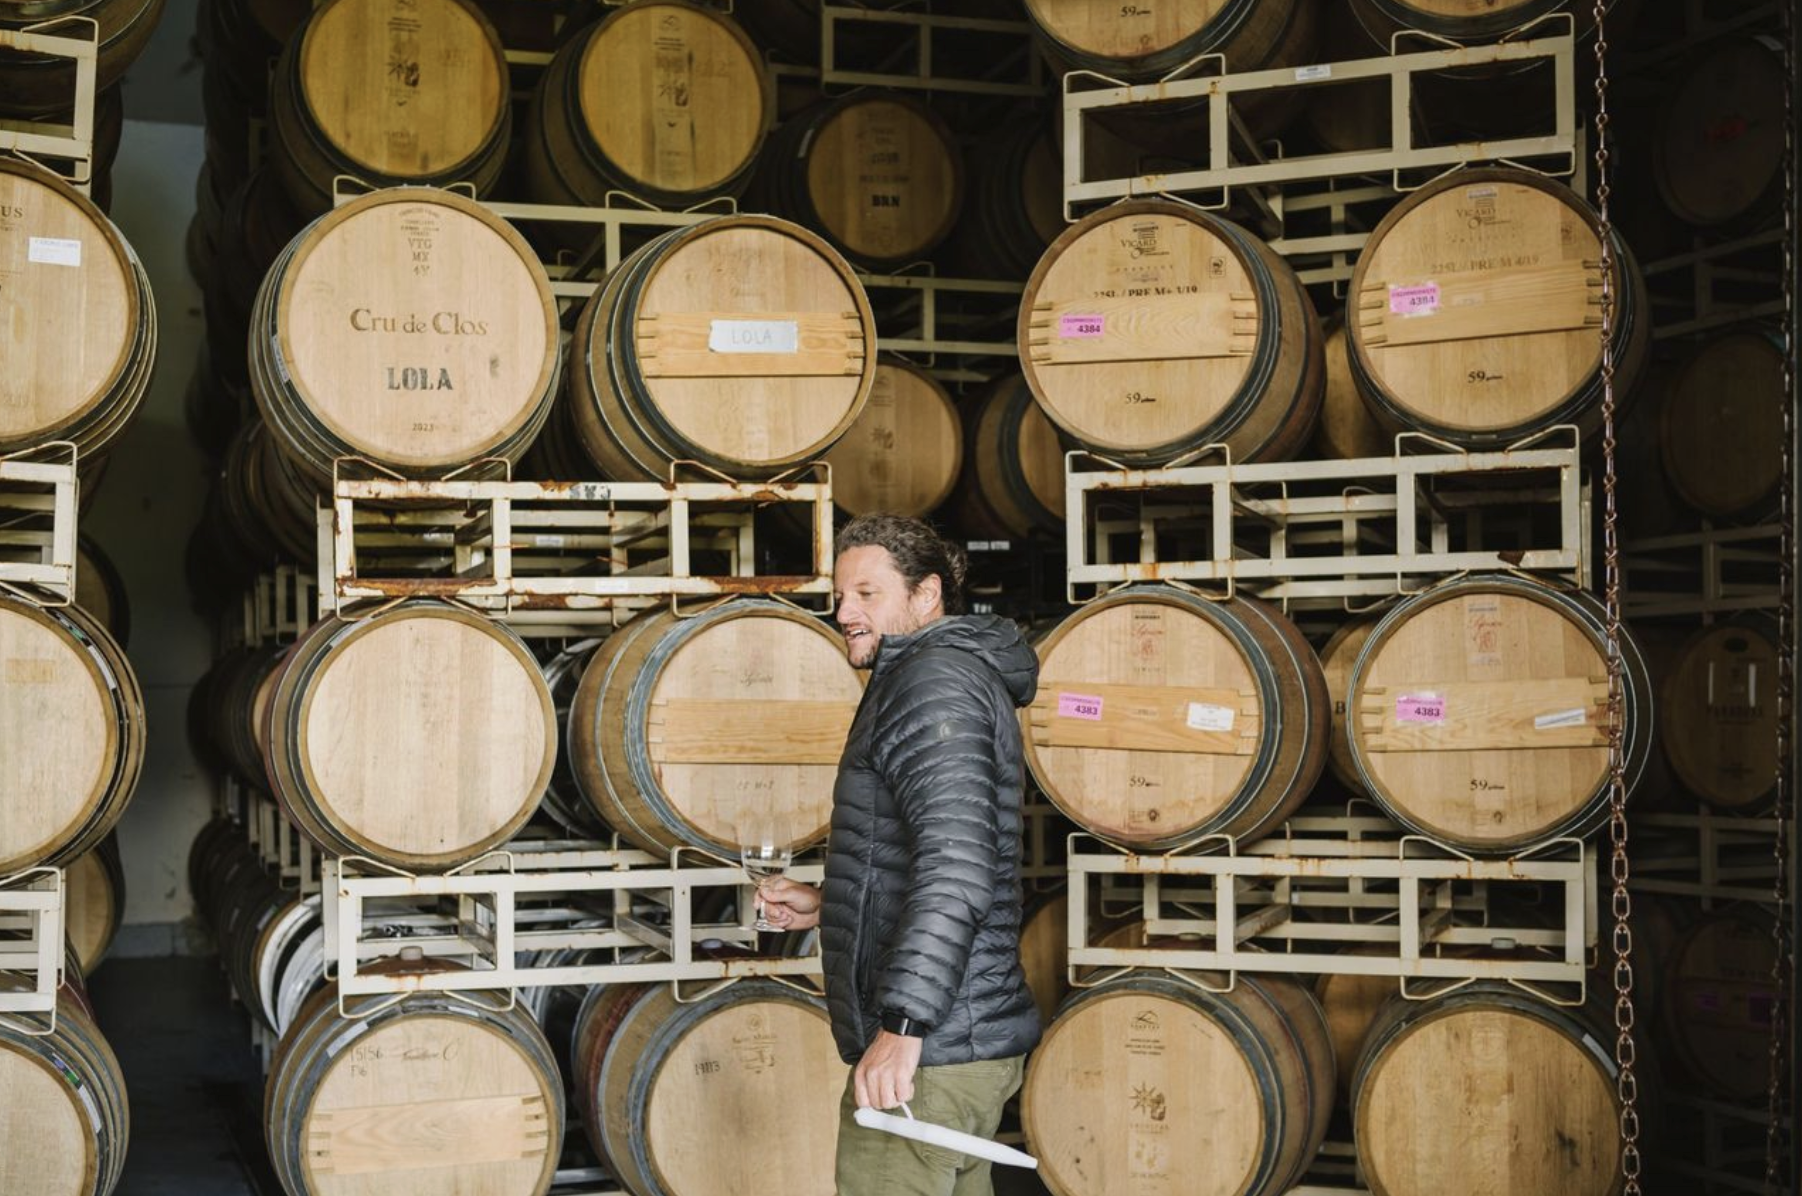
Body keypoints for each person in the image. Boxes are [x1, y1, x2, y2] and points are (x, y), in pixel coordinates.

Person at [756, 513, 1042, 1196]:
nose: (844, 611)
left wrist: (904, 1027)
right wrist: (829, 905)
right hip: (957, 1043)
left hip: (933, 1049)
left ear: (926, 595)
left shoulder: (933, 682)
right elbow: (932, 853)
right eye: (840, 596)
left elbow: (959, 870)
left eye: (867, 593)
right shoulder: (927, 676)